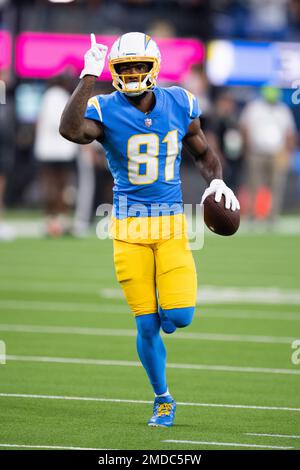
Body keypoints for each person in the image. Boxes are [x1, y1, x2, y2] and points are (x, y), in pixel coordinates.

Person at [60, 32, 239, 427]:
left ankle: (167, 309)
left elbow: (204, 151)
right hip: (127, 229)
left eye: (140, 65)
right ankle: (163, 398)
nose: (134, 72)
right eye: (126, 67)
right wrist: (88, 75)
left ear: (154, 67)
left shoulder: (179, 102)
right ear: (116, 72)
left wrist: (217, 180)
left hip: (172, 226)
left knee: (180, 317)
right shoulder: (103, 108)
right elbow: (71, 131)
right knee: (145, 324)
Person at [240, 86, 296, 224]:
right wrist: (247, 148)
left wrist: (287, 152)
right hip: (256, 151)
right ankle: (252, 214)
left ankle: (272, 216)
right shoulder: (254, 107)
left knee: (276, 185)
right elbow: (244, 127)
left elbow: (290, 133)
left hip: (276, 152)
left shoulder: (283, 110)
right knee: (254, 184)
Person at [35, 75, 78, 236]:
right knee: (57, 187)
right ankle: (55, 221)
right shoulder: (57, 96)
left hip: (52, 151)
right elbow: (60, 123)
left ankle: (56, 221)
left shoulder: (49, 96)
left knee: (57, 186)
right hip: (58, 151)